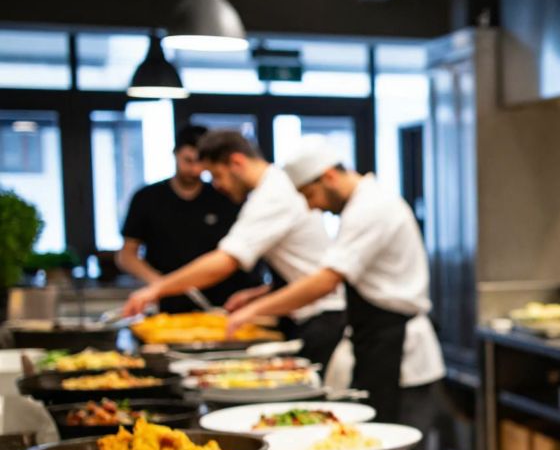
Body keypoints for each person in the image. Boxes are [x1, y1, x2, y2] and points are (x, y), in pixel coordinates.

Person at [223, 137, 445, 424]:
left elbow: (326, 281)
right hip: (376, 343)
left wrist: (254, 310)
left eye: (309, 195)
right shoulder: (362, 204)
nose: (312, 207)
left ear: (329, 176)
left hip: (399, 351)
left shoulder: (371, 207)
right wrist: (260, 296)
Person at [121, 131, 346, 369]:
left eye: (217, 175)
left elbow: (226, 260)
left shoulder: (272, 195)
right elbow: (303, 266)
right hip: (310, 314)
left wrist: (157, 289)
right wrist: (260, 293)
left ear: (237, 162)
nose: (216, 186)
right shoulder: (271, 188)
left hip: (322, 316)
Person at [115, 124, 260, 312]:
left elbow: (232, 257)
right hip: (170, 303)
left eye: (201, 164)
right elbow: (126, 255)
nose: (195, 170)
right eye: (188, 160)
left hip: (223, 304)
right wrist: (160, 284)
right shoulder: (147, 198)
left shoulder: (226, 196)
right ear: (175, 154)